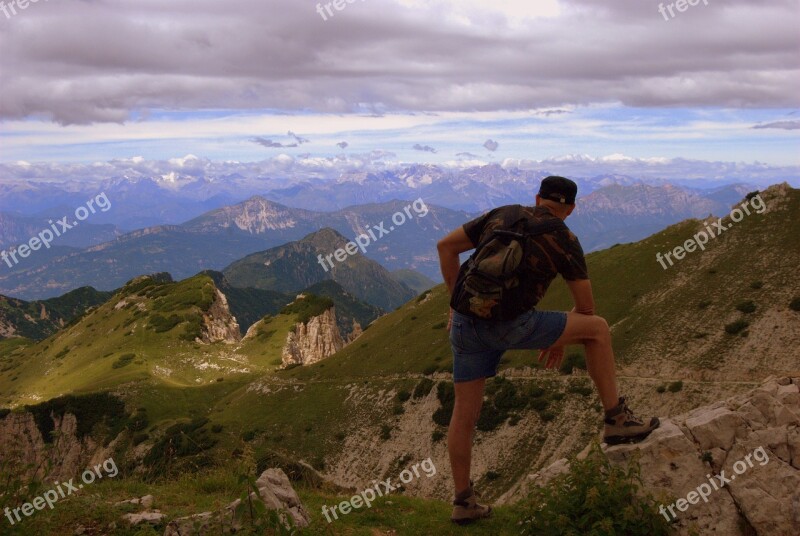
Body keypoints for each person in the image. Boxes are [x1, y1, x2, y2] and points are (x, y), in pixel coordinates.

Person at [436, 176, 660, 525]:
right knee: (598, 331)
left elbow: (445, 247)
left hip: (465, 323)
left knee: (464, 415)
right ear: (570, 208)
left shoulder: (503, 214)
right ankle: (616, 420)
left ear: (537, 198)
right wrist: (555, 338)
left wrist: (454, 304)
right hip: (514, 325)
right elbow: (586, 310)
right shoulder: (565, 239)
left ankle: (463, 501)